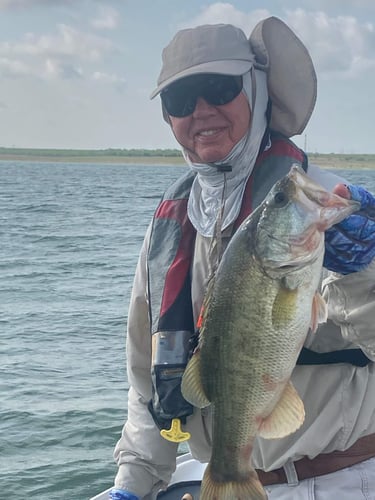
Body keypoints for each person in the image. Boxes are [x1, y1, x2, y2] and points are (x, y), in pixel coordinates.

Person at [109, 17, 375, 500]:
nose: (201, 110)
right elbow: (146, 378)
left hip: (351, 478)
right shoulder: (169, 230)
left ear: (257, 91)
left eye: (218, 87)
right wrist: (132, 484)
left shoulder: (328, 205)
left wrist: (365, 275)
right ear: (168, 119)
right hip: (232, 480)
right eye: (179, 100)